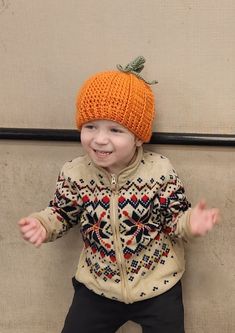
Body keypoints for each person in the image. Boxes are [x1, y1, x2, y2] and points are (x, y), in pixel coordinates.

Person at [18, 56, 219, 333]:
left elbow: (175, 220)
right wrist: (42, 223)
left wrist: (191, 223)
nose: (100, 139)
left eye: (115, 129)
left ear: (138, 137)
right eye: (90, 127)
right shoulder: (75, 172)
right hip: (97, 288)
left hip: (157, 287)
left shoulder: (159, 171)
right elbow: (61, 212)